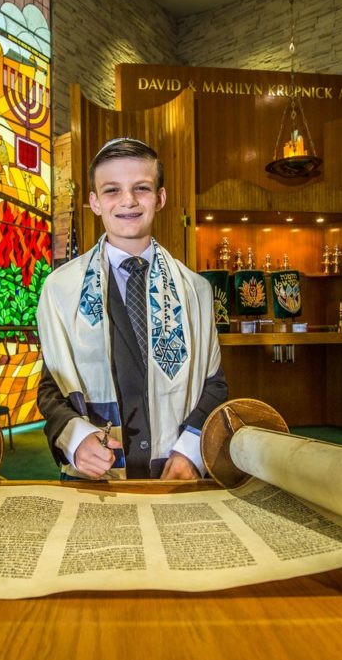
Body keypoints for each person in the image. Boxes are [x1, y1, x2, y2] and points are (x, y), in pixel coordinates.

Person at [36, 138, 227, 480]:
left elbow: (214, 384)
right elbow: (53, 386)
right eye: (112, 190)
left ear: (160, 198)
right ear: (94, 202)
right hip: (99, 474)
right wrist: (76, 439)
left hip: (172, 468)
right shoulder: (60, 289)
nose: (128, 201)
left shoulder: (195, 289)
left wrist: (190, 451)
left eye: (141, 188)